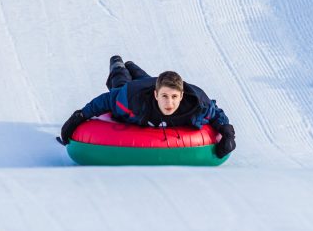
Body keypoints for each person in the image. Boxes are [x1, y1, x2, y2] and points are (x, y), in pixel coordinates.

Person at [60, 56, 236, 159]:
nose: (170, 103)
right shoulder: (132, 100)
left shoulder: (198, 105)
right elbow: (106, 101)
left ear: (181, 96)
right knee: (120, 81)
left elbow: (216, 113)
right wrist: (80, 116)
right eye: (165, 97)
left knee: (147, 79)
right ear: (156, 95)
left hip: (149, 86)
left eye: (175, 97)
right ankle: (119, 64)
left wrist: (227, 133)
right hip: (133, 91)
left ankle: (133, 67)